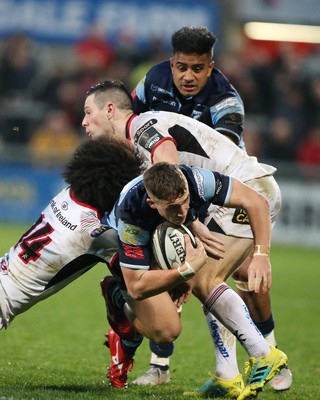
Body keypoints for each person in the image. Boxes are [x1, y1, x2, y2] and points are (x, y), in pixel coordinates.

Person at [82, 79, 289, 397]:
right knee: (207, 278)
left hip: (247, 187)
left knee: (207, 278)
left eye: (87, 112)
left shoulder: (139, 127)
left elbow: (166, 160)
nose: (83, 122)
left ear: (110, 110)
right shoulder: (137, 147)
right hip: (232, 191)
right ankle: (227, 375)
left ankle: (266, 356)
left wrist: (259, 252)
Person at [131, 25, 291, 391]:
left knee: (231, 280)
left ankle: (267, 355)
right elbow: (133, 125)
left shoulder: (226, 103)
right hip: (182, 190)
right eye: (181, 67)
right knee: (176, 268)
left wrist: (193, 221)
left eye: (198, 68)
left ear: (211, 66)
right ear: (171, 63)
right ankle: (165, 364)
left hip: (223, 190)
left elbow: (221, 170)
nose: (188, 76)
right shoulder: (152, 80)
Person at [102, 161, 288, 400]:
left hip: (166, 238)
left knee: (205, 279)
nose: (181, 211)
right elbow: (137, 286)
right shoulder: (131, 215)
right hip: (129, 259)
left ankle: (257, 357)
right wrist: (183, 272)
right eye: (172, 207)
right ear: (153, 203)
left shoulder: (196, 180)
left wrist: (262, 254)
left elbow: (256, 201)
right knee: (166, 331)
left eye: (185, 202)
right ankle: (117, 297)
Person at [0, 136, 144, 330]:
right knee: (158, 325)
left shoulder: (67, 195)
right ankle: (116, 299)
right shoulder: (96, 234)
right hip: (3, 301)